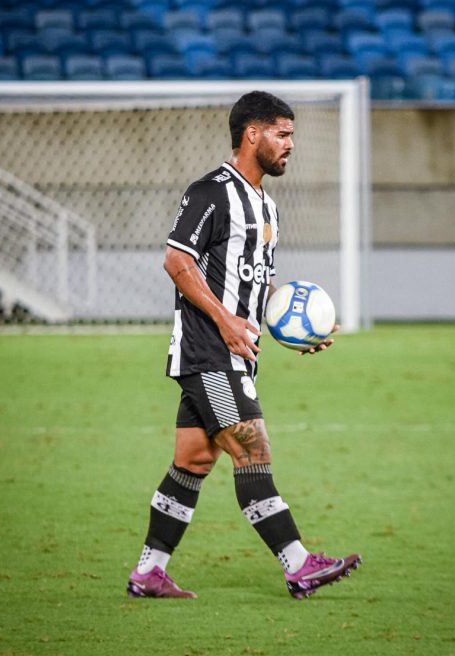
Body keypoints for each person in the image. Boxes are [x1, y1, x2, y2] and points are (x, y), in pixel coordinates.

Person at [126, 91, 361, 600]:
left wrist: (297, 326)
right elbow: (176, 261)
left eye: (291, 134)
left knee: (192, 460)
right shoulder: (211, 192)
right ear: (251, 133)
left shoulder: (265, 205)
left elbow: (255, 285)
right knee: (253, 452)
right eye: (282, 133)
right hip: (209, 350)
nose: (289, 144)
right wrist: (225, 319)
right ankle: (298, 563)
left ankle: (149, 572)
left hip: (236, 353)